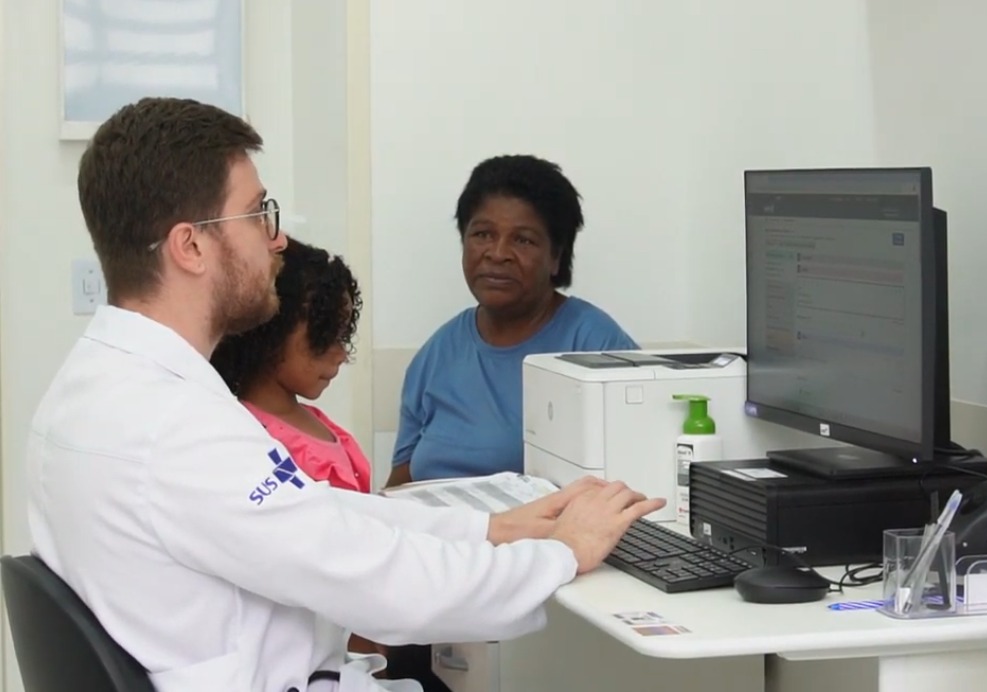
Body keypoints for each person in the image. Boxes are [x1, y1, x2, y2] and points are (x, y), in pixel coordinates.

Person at [26, 96, 664, 692]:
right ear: (190, 245)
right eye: (258, 213)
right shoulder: (173, 429)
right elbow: (388, 586)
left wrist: (488, 529)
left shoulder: (97, 387)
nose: (276, 239)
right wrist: (561, 552)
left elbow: (318, 515)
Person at [386, 154, 639, 488]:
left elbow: (632, 484)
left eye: (523, 240)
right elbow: (400, 485)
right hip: (437, 535)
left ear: (555, 257)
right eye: (482, 234)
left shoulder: (596, 345)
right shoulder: (435, 354)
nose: (498, 253)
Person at [211, 237, 370, 494]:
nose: (341, 354)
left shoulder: (321, 423)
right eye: (324, 335)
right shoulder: (255, 439)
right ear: (271, 330)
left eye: (344, 336)